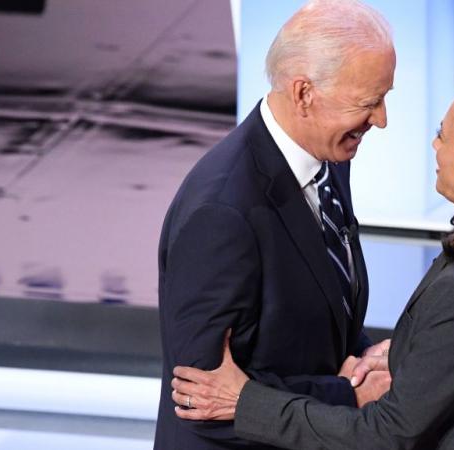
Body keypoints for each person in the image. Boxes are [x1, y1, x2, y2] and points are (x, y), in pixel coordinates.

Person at [170, 78, 454, 449]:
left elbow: (385, 436)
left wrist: (244, 401)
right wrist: (415, 353)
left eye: (443, 136)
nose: (434, 145)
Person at [154, 1, 396, 448]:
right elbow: (200, 398)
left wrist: (366, 358)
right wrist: (346, 395)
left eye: (385, 98)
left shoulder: (327, 161)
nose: (382, 119)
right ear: (304, 93)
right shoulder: (221, 212)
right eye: (369, 102)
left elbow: (320, 317)